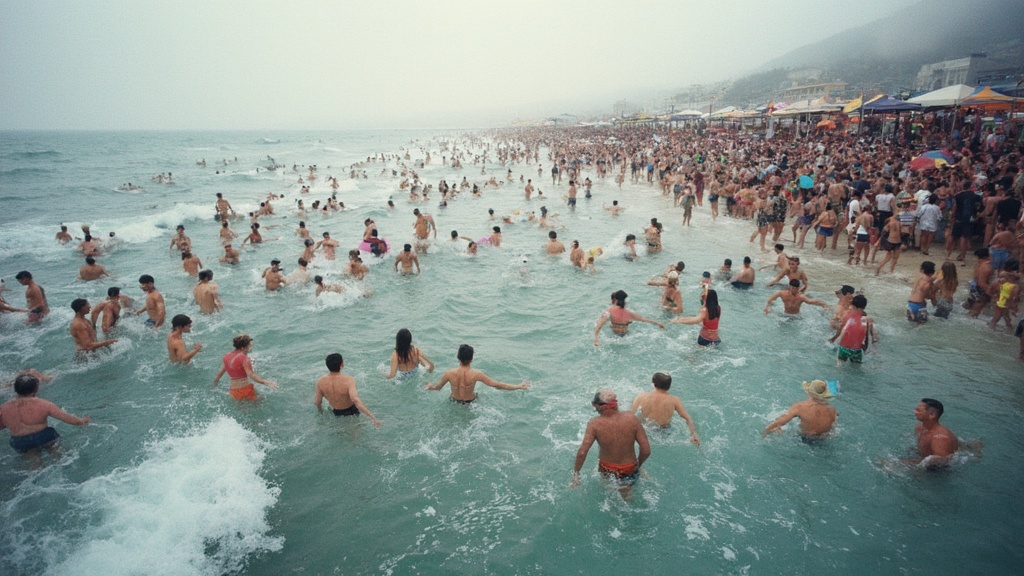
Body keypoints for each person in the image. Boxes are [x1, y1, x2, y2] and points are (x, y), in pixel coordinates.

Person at [571, 388, 652, 500]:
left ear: (601, 406)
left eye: (595, 404)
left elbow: (582, 452)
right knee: (627, 496)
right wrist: (638, 465)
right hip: (630, 468)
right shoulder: (632, 419)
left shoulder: (594, 424)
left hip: (607, 470)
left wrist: (576, 474)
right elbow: (646, 450)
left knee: (612, 497)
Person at [0, 374, 90, 453]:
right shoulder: (43, 404)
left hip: (20, 441)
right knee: (55, 453)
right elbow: (66, 418)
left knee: (33, 460)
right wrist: (82, 421)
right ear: (36, 389)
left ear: (15, 389)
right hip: (43, 436)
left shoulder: (4, 408)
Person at [425, 344, 529, 403]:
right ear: (472, 359)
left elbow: (437, 388)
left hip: (454, 401)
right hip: (471, 402)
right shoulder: (477, 374)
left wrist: (430, 386)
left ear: (458, 357)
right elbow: (497, 385)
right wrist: (519, 386)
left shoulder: (449, 373)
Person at [629, 373, 700, 444]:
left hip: (646, 429)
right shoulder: (674, 400)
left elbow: (630, 415)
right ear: (669, 387)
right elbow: (688, 419)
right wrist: (693, 435)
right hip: (664, 431)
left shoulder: (642, 396)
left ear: (653, 384)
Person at [314, 353, 381, 427]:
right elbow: (355, 400)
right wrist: (373, 418)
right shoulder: (348, 380)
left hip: (336, 412)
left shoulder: (320, 381)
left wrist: (320, 412)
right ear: (341, 364)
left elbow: (317, 402)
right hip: (351, 411)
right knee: (355, 434)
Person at [762, 380, 837, 442]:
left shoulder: (800, 407)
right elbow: (832, 430)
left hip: (804, 440)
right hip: (823, 441)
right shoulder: (832, 410)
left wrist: (765, 433)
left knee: (779, 429)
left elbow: (780, 422)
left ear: (809, 391)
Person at [212, 334, 278, 400]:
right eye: (249, 346)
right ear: (243, 347)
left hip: (233, 391)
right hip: (245, 390)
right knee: (260, 403)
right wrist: (266, 382)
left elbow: (220, 373)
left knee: (242, 409)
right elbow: (251, 375)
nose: (250, 348)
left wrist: (215, 384)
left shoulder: (226, 356)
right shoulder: (244, 358)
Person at [594, 290, 665, 345]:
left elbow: (598, 326)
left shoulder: (608, 312)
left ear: (615, 299)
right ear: (624, 300)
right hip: (626, 337)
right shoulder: (629, 313)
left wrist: (596, 339)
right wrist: (658, 324)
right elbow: (643, 319)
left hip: (614, 337)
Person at [909, 398, 959, 469]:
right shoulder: (919, 427)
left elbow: (943, 463)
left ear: (932, 415)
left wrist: (909, 463)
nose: (915, 412)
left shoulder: (940, 438)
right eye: (916, 409)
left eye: (919, 410)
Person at [829, 294, 876, 363]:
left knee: (839, 367)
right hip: (857, 350)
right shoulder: (868, 320)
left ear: (853, 306)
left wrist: (833, 338)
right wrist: (867, 347)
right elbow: (869, 336)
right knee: (856, 369)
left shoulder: (847, 317)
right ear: (864, 307)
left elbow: (840, 330)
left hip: (843, 348)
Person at [764, 279, 829, 315]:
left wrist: (824, 305)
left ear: (798, 288)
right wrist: (768, 307)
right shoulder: (781, 293)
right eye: (792, 288)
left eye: (795, 288)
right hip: (785, 315)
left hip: (796, 317)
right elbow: (770, 299)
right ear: (789, 286)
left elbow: (811, 301)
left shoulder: (801, 297)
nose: (793, 290)